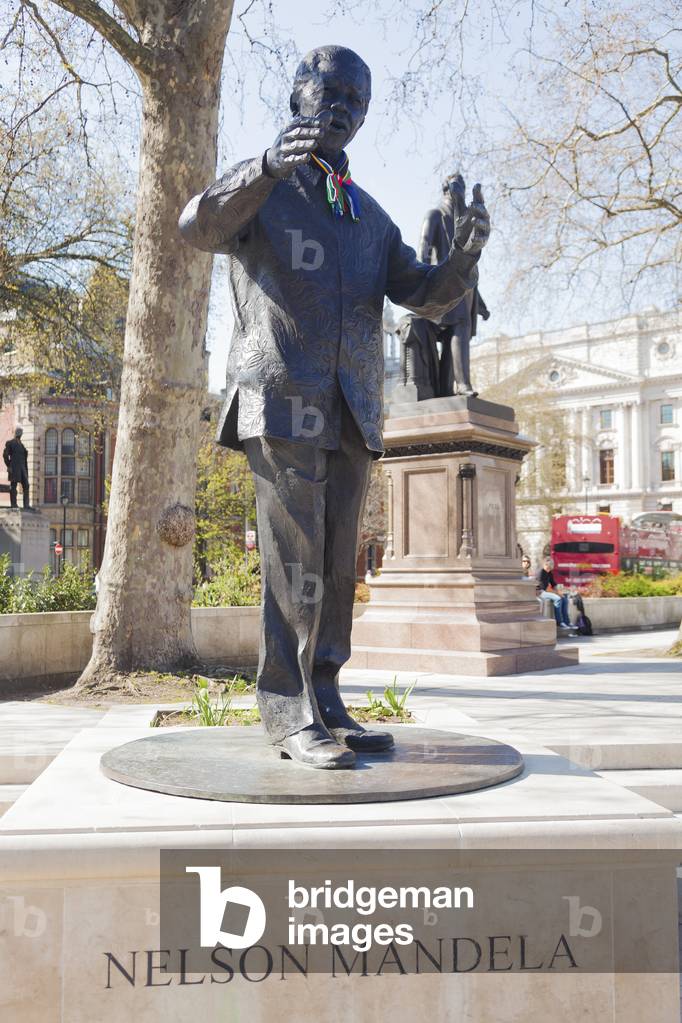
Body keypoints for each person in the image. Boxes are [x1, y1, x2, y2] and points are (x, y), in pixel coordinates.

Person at [179, 45, 490, 770]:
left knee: (337, 567)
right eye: (334, 92)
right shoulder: (263, 191)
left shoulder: (370, 217)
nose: (346, 107)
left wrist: (465, 258)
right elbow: (194, 225)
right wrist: (262, 165)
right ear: (298, 97)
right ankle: (287, 708)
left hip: (352, 412)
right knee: (292, 562)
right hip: (282, 398)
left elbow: (427, 296)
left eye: (360, 99)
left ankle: (326, 693)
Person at [417, 173, 491, 397]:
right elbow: (423, 251)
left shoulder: (464, 219)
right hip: (442, 288)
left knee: (459, 336)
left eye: (463, 186)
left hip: (465, 293)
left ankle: (448, 389)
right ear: (446, 188)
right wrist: (424, 286)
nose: (461, 190)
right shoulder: (435, 215)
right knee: (458, 329)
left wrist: (481, 304)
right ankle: (463, 384)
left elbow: (470, 266)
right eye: (457, 186)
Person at [537, 556, 572, 629]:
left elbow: (554, 584)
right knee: (557, 598)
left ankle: (567, 622)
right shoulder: (541, 573)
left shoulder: (549, 573)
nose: (548, 568)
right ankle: (559, 622)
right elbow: (545, 589)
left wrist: (560, 592)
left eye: (550, 566)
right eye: (547, 566)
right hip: (540, 592)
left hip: (545, 591)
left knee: (564, 598)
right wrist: (557, 593)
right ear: (544, 564)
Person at [3, 427, 31, 510]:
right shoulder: (10, 443)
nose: (19, 433)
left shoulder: (22, 445)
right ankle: (14, 504)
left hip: (22, 468)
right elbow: (5, 455)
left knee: (26, 485)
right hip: (14, 468)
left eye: (20, 432)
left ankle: (26, 505)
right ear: (15, 433)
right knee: (13, 485)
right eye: (18, 432)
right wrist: (9, 466)